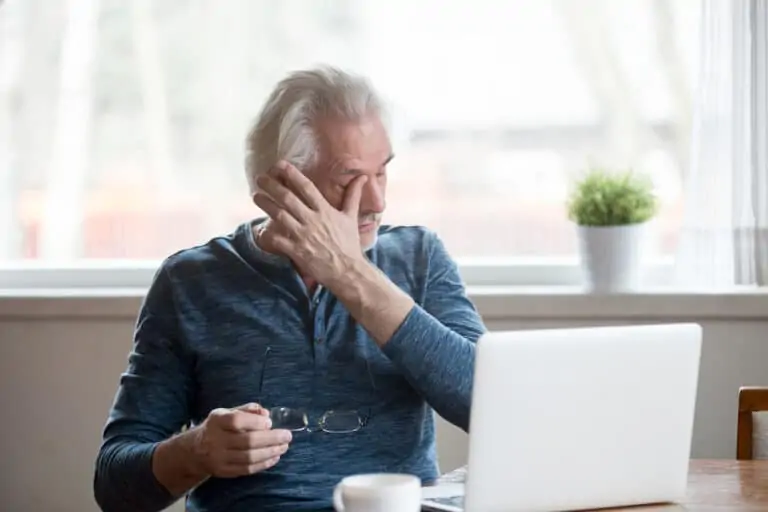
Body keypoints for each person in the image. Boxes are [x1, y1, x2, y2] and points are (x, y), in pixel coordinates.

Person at [93, 65, 486, 512]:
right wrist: (196, 449)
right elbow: (114, 485)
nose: (377, 201)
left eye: (382, 173)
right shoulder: (190, 282)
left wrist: (349, 274)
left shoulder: (420, 257)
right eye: (349, 180)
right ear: (283, 186)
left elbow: (491, 406)